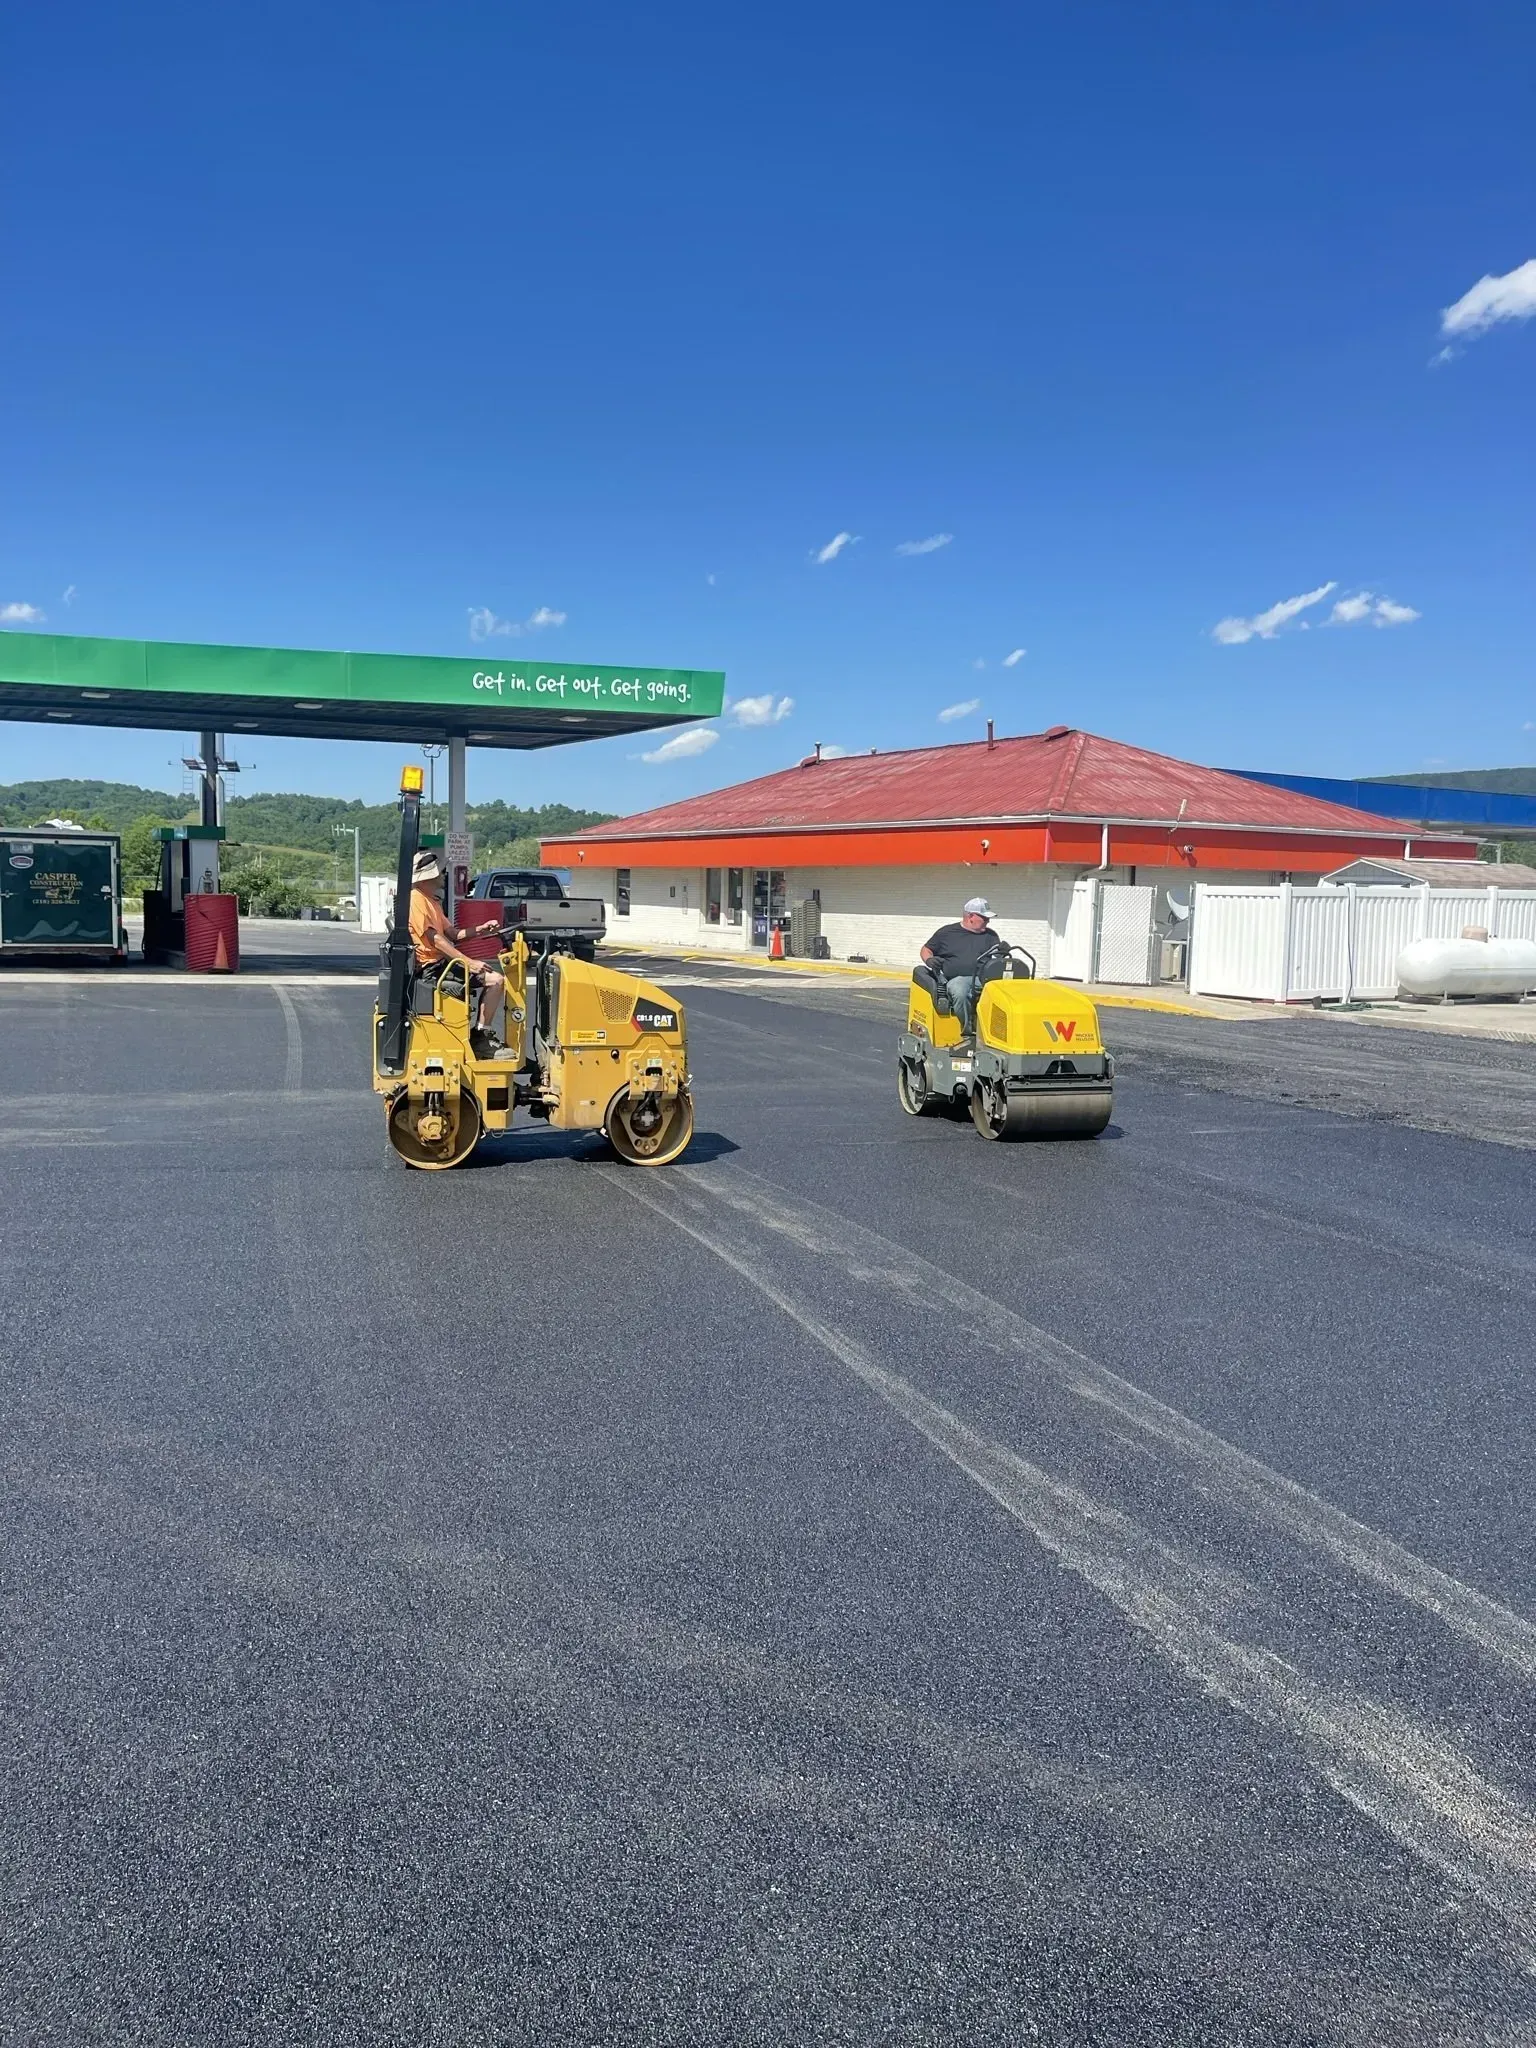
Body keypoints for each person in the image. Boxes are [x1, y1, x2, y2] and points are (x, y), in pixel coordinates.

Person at [408, 851, 508, 1055]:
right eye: (441, 872)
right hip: (431, 969)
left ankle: (479, 1035)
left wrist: (481, 929)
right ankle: (481, 1039)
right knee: (496, 980)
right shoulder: (416, 900)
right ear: (429, 876)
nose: (444, 875)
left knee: (495, 979)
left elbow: (453, 934)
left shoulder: (431, 901)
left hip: (440, 965)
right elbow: (433, 939)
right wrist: (469, 962)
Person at [919, 897, 999, 1037]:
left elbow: (999, 957)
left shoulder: (991, 936)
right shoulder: (946, 933)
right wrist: (930, 960)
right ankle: (969, 1031)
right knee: (960, 989)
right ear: (971, 916)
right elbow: (926, 949)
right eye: (984, 918)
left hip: (984, 979)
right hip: (957, 979)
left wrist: (1004, 952)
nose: (988, 921)